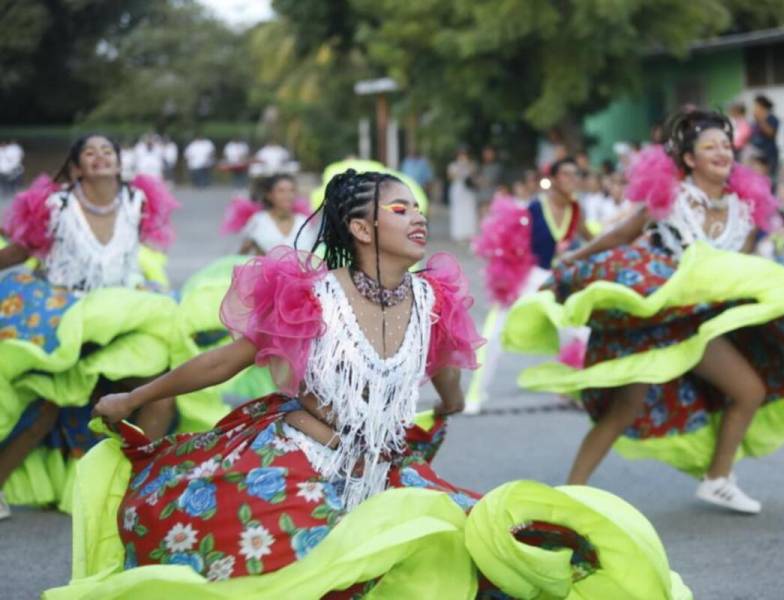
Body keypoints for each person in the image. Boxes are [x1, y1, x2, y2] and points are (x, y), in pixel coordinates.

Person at [58, 169, 696, 598]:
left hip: (385, 471)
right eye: (400, 209)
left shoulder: (432, 298)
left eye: (418, 208)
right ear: (361, 230)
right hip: (299, 466)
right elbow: (226, 361)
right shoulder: (309, 294)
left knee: (491, 549)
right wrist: (135, 397)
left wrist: (447, 407)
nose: (418, 218)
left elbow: (444, 372)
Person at [503, 109, 784, 514]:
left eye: (727, 146)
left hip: (698, 324)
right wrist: (571, 262)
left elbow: (739, 272)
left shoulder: (741, 211)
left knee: (749, 390)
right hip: (650, 318)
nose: (722, 152)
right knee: (625, 408)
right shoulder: (672, 197)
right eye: (710, 146)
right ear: (689, 158)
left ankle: (718, 480)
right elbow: (621, 235)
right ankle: (571, 493)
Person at [0, 134, 225, 519]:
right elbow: (22, 251)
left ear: (120, 164)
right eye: (90, 152)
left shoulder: (138, 202)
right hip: (66, 320)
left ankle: (134, 488)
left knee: (161, 394)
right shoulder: (55, 205)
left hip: (126, 316)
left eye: (108, 151)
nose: (101, 157)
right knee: (44, 408)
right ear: (76, 167)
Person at [467, 157, 591, 412]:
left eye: (576, 175)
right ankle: (474, 395)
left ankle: (572, 388)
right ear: (555, 179)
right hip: (528, 278)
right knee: (494, 334)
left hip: (558, 279)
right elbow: (510, 244)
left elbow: (592, 237)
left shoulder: (577, 210)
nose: (572, 180)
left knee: (579, 334)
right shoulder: (533, 208)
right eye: (567, 174)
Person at [220, 174, 316, 255]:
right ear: (269, 195)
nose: (288, 195)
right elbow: (242, 254)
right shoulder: (258, 220)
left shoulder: (303, 221)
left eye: (292, 190)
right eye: (281, 191)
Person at [446, 147, 478, 242]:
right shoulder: (452, 165)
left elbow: (474, 175)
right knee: (458, 211)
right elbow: (450, 177)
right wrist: (460, 168)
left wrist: (467, 166)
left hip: (468, 190)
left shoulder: (471, 164)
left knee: (469, 210)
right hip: (457, 189)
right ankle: (458, 233)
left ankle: (469, 233)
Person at [749, 95, 779, 178]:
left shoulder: (772, 118)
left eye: (756, 106)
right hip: (756, 155)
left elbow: (771, 133)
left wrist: (760, 119)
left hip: (769, 155)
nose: (754, 109)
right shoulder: (754, 121)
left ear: (762, 106)